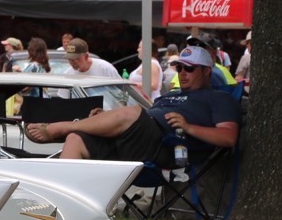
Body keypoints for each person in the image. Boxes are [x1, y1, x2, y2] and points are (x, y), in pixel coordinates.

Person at [26, 46, 239, 168]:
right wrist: (108, 118)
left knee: (133, 112)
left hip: (165, 145)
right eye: (179, 68)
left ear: (207, 71)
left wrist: (189, 127)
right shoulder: (171, 94)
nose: (182, 73)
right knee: (76, 139)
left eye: (189, 69)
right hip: (134, 138)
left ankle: (60, 127)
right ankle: (63, 204)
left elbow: (228, 137)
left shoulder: (218, 98)